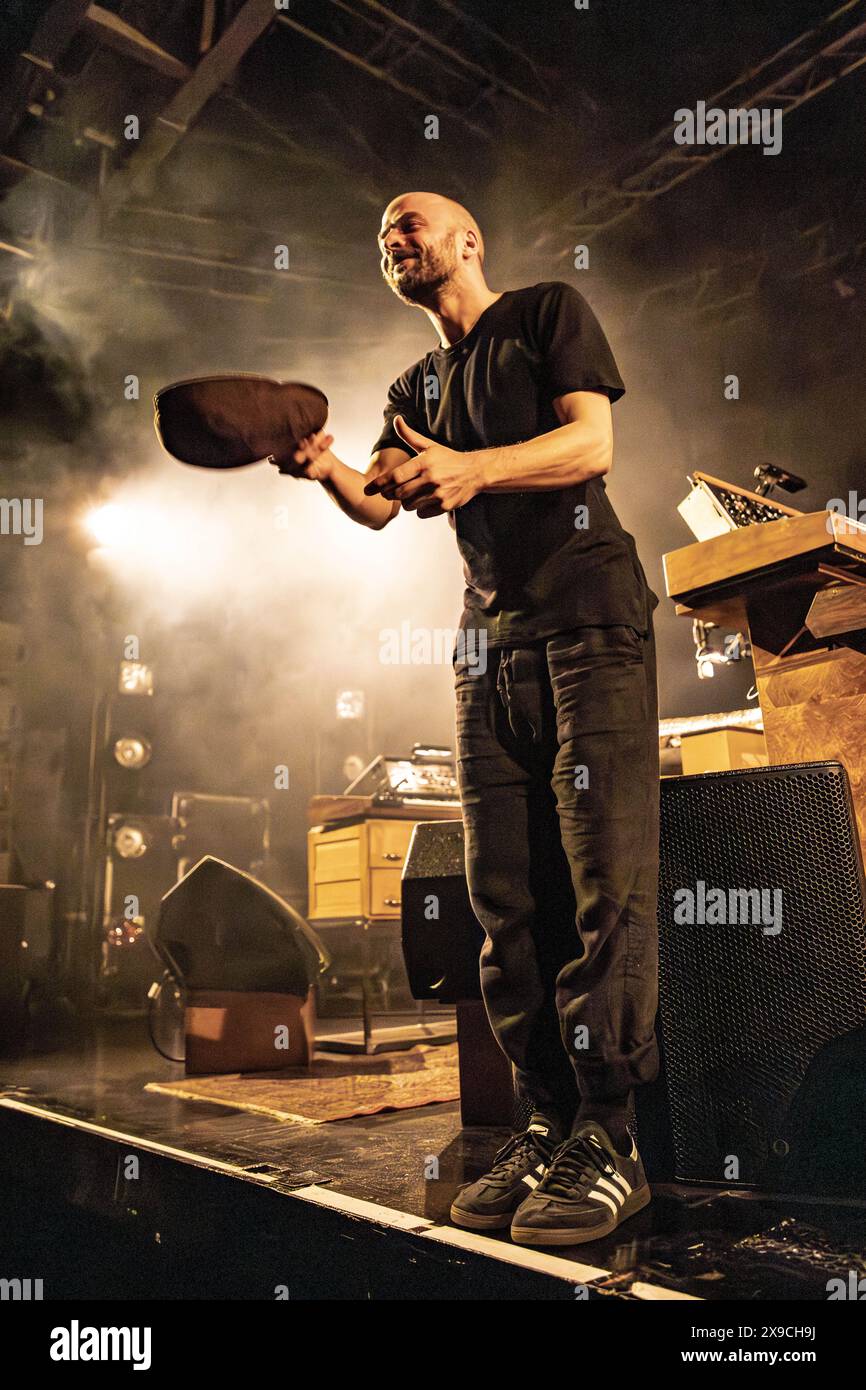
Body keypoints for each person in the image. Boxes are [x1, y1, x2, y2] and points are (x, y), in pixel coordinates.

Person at [273, 191, 660, 1247]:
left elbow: (591, 446)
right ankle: (546, 1123)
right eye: (380, 235)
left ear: (466, 241)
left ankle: (612, 1134)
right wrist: (325, 472)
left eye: (409, 221)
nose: (392, 238)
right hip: (487, 649)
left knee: (599, 882)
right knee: (503, 899)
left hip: (589, 622)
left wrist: (477, 466)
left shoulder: (544, 314)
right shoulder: (416, 385)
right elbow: (381, 499)